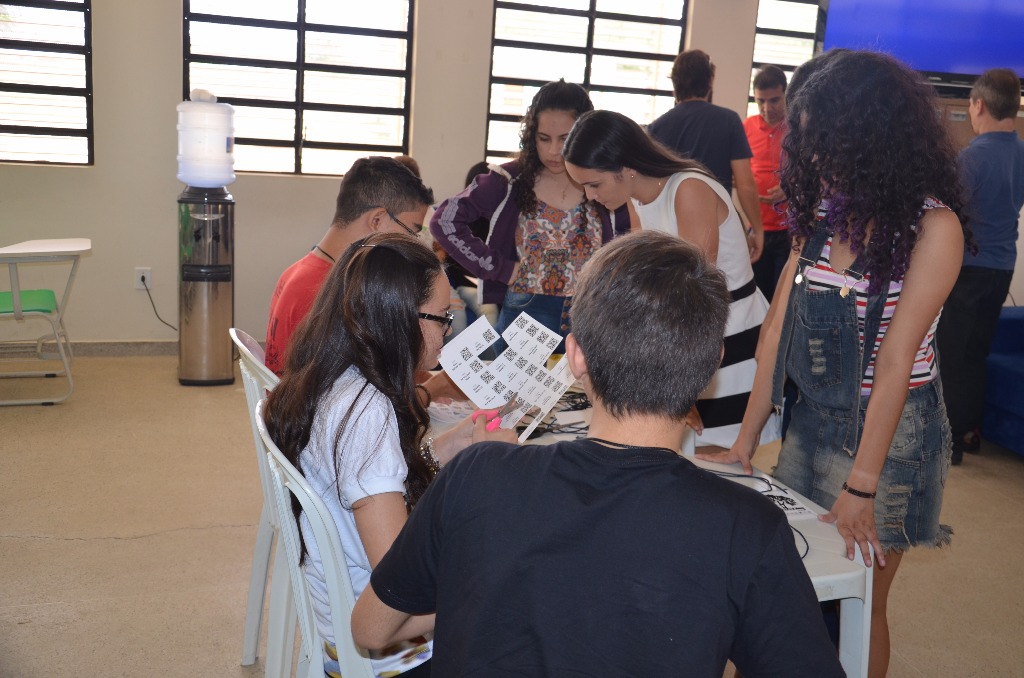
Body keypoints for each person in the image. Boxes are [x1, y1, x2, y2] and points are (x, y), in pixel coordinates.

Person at [350, 231, 844, 677]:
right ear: (711, 363)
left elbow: (370, 629)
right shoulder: (746, 526)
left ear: (576, 356)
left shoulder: (476, 471)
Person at [700, 50, 967, 678]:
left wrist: (862, 485)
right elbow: (776, 333)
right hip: (813, 423)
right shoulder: (821, 217)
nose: (815, 156)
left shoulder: (935, 228)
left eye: (827, 138)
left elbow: (896, 362)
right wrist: (744, 442)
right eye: (808, 140)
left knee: (860, 600)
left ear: (875, 135)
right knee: (794, 588)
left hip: (892, 441)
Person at [264, 232, 516, 677]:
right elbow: (400, 587)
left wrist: (446, 447)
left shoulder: (329, 380)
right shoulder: (367, 413)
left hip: (343, 628)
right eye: (442, 317)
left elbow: (364, 482)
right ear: (398, 317)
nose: (448, 331)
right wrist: (485, 473)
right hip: (400, 657)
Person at [562, 109, 779, 452]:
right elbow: (642, 282)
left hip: (725, 333)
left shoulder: (688, 188)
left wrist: (677, 380)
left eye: (594, 184)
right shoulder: (635, 197)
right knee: (683, 456)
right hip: (682, 336)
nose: (590, 196)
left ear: (627, 167)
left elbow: (694, 293)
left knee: (720, 458)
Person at [429, 80, 630, 353]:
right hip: (527, 313)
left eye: (565, 139)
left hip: (591, 314)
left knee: (585, 384)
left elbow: (631, 244)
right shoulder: (509, 179)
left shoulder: (606, 179)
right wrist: (500, 268)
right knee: (515, 384)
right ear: (531, 134)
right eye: (544, 138)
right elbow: (444, 221)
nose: (553, 151)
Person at [264, 156, 434, 376]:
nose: (412, 242)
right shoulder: (328, 290)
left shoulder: (300, 271)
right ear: (377, 220)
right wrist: (433, 389)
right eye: (412, 231)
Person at [937, 67, 1024, 465]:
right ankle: (970, 431)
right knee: (976, 353)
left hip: (968, 268)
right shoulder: (1020, 153)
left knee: (951, 355)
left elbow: (946, 213)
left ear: (978, 105)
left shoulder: (971, 158)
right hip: (1002, 267)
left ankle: (950, 442)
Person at [648, 49, 764, 262]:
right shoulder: (729, 120)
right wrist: (757, 229)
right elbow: (745, 184)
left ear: (674, 82)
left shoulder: (657, 128)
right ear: (710, 80)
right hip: (719, 229)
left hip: (671, 231)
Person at [434, 161, 500, 338]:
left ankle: (486, 355)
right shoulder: (459, 215)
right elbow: (448, 257)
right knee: (488, 310)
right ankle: (474, 353)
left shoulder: (500, 217)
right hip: (465, 282)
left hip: (490, 282)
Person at [744, 64, 790, 302]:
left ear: (786, 95)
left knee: (781, 299)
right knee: (756, 297)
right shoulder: (747, 127)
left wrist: (789, 188)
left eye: (774, 100)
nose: (766, 108)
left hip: (789, 230)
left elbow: (813, 172)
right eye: (760, 101)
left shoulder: (797, 128)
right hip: (756, 227)